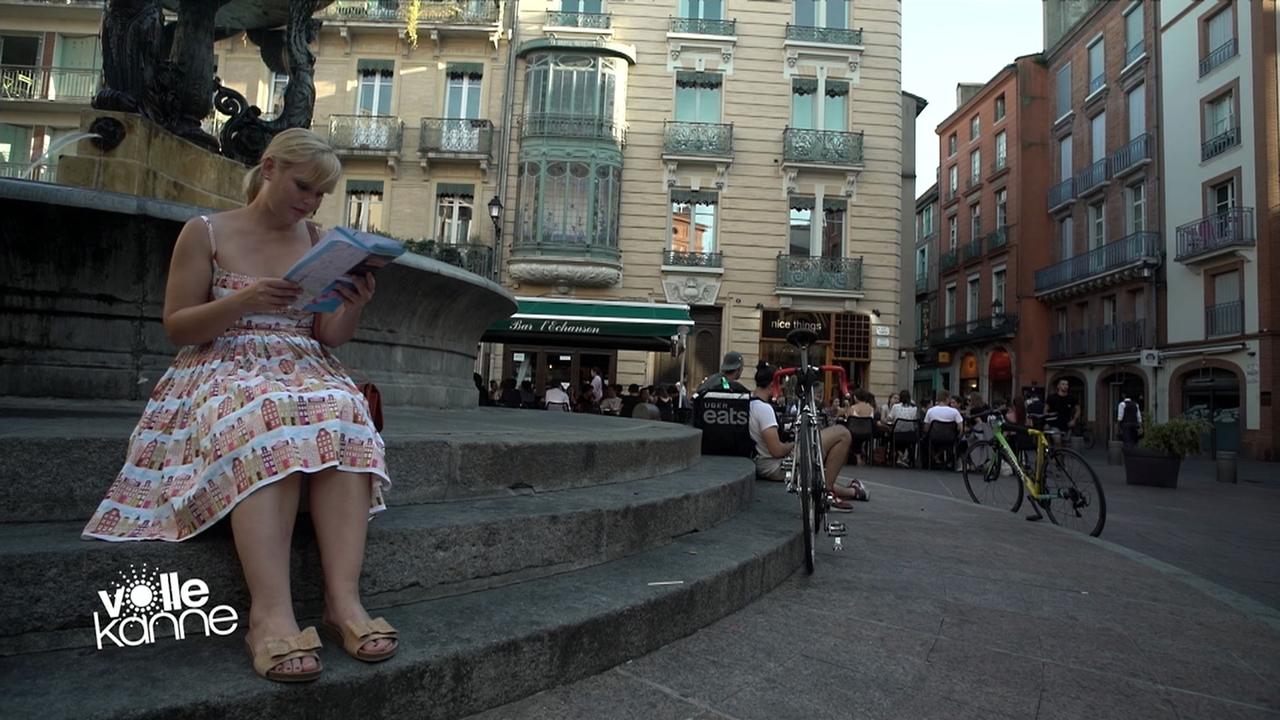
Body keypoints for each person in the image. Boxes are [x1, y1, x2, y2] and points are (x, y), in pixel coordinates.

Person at [80, 129, 396, 682]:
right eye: (304, 186)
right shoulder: (205, 232)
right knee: (261, 414)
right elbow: (178, 326)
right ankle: (268, 615)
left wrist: (354, 304)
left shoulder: (319, 239)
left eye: (321, 194)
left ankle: (343, 602)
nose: (311, 202)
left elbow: (329, 335)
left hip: (303, 362)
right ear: (268, 168)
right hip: (222, 362)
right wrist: (243, 300)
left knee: (344, 409)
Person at [747, 362, 858, 509]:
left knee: (819, 474)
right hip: (774, 465)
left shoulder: (750, 403)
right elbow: (776, 450)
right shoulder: (764, 409)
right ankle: (828, 493)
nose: (781, 389)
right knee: (842, 434)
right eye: (780, 386)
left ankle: (853, 491)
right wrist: (796, 443)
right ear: (773, 385)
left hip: (764, 463)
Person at [1045, 379, 1080, 444]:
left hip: (1067, 425)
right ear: (1058, 386)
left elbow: (1078, 410)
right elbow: (1045, 410)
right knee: (1057, 440)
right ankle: (1057, 453)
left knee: (1065, 445)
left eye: (1067, 384)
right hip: (1054, 424)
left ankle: (1058, 453)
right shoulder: (1052, 398)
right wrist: (1046, 421)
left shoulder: (1071, 398)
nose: (1065, 386)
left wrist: (1074, 420)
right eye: (1063, 384)